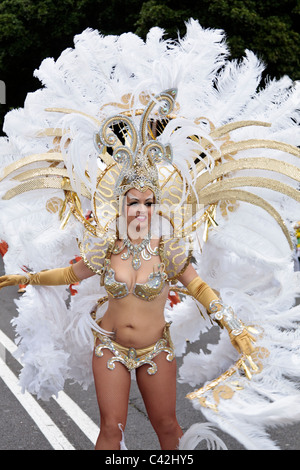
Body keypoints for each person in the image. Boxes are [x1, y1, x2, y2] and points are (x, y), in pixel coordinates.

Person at [0, 20, 299, 451]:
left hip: (157, 350)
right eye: (133, 202)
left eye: (148, 202)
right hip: (110, 348)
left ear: (157, 207)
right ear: (120, 206)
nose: (141, 209)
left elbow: (198, 286)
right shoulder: (104, 247)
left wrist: (233, 325)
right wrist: (23, 279)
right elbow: (70, 274)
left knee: (168, 432)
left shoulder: (169, 247)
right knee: (110, 431)